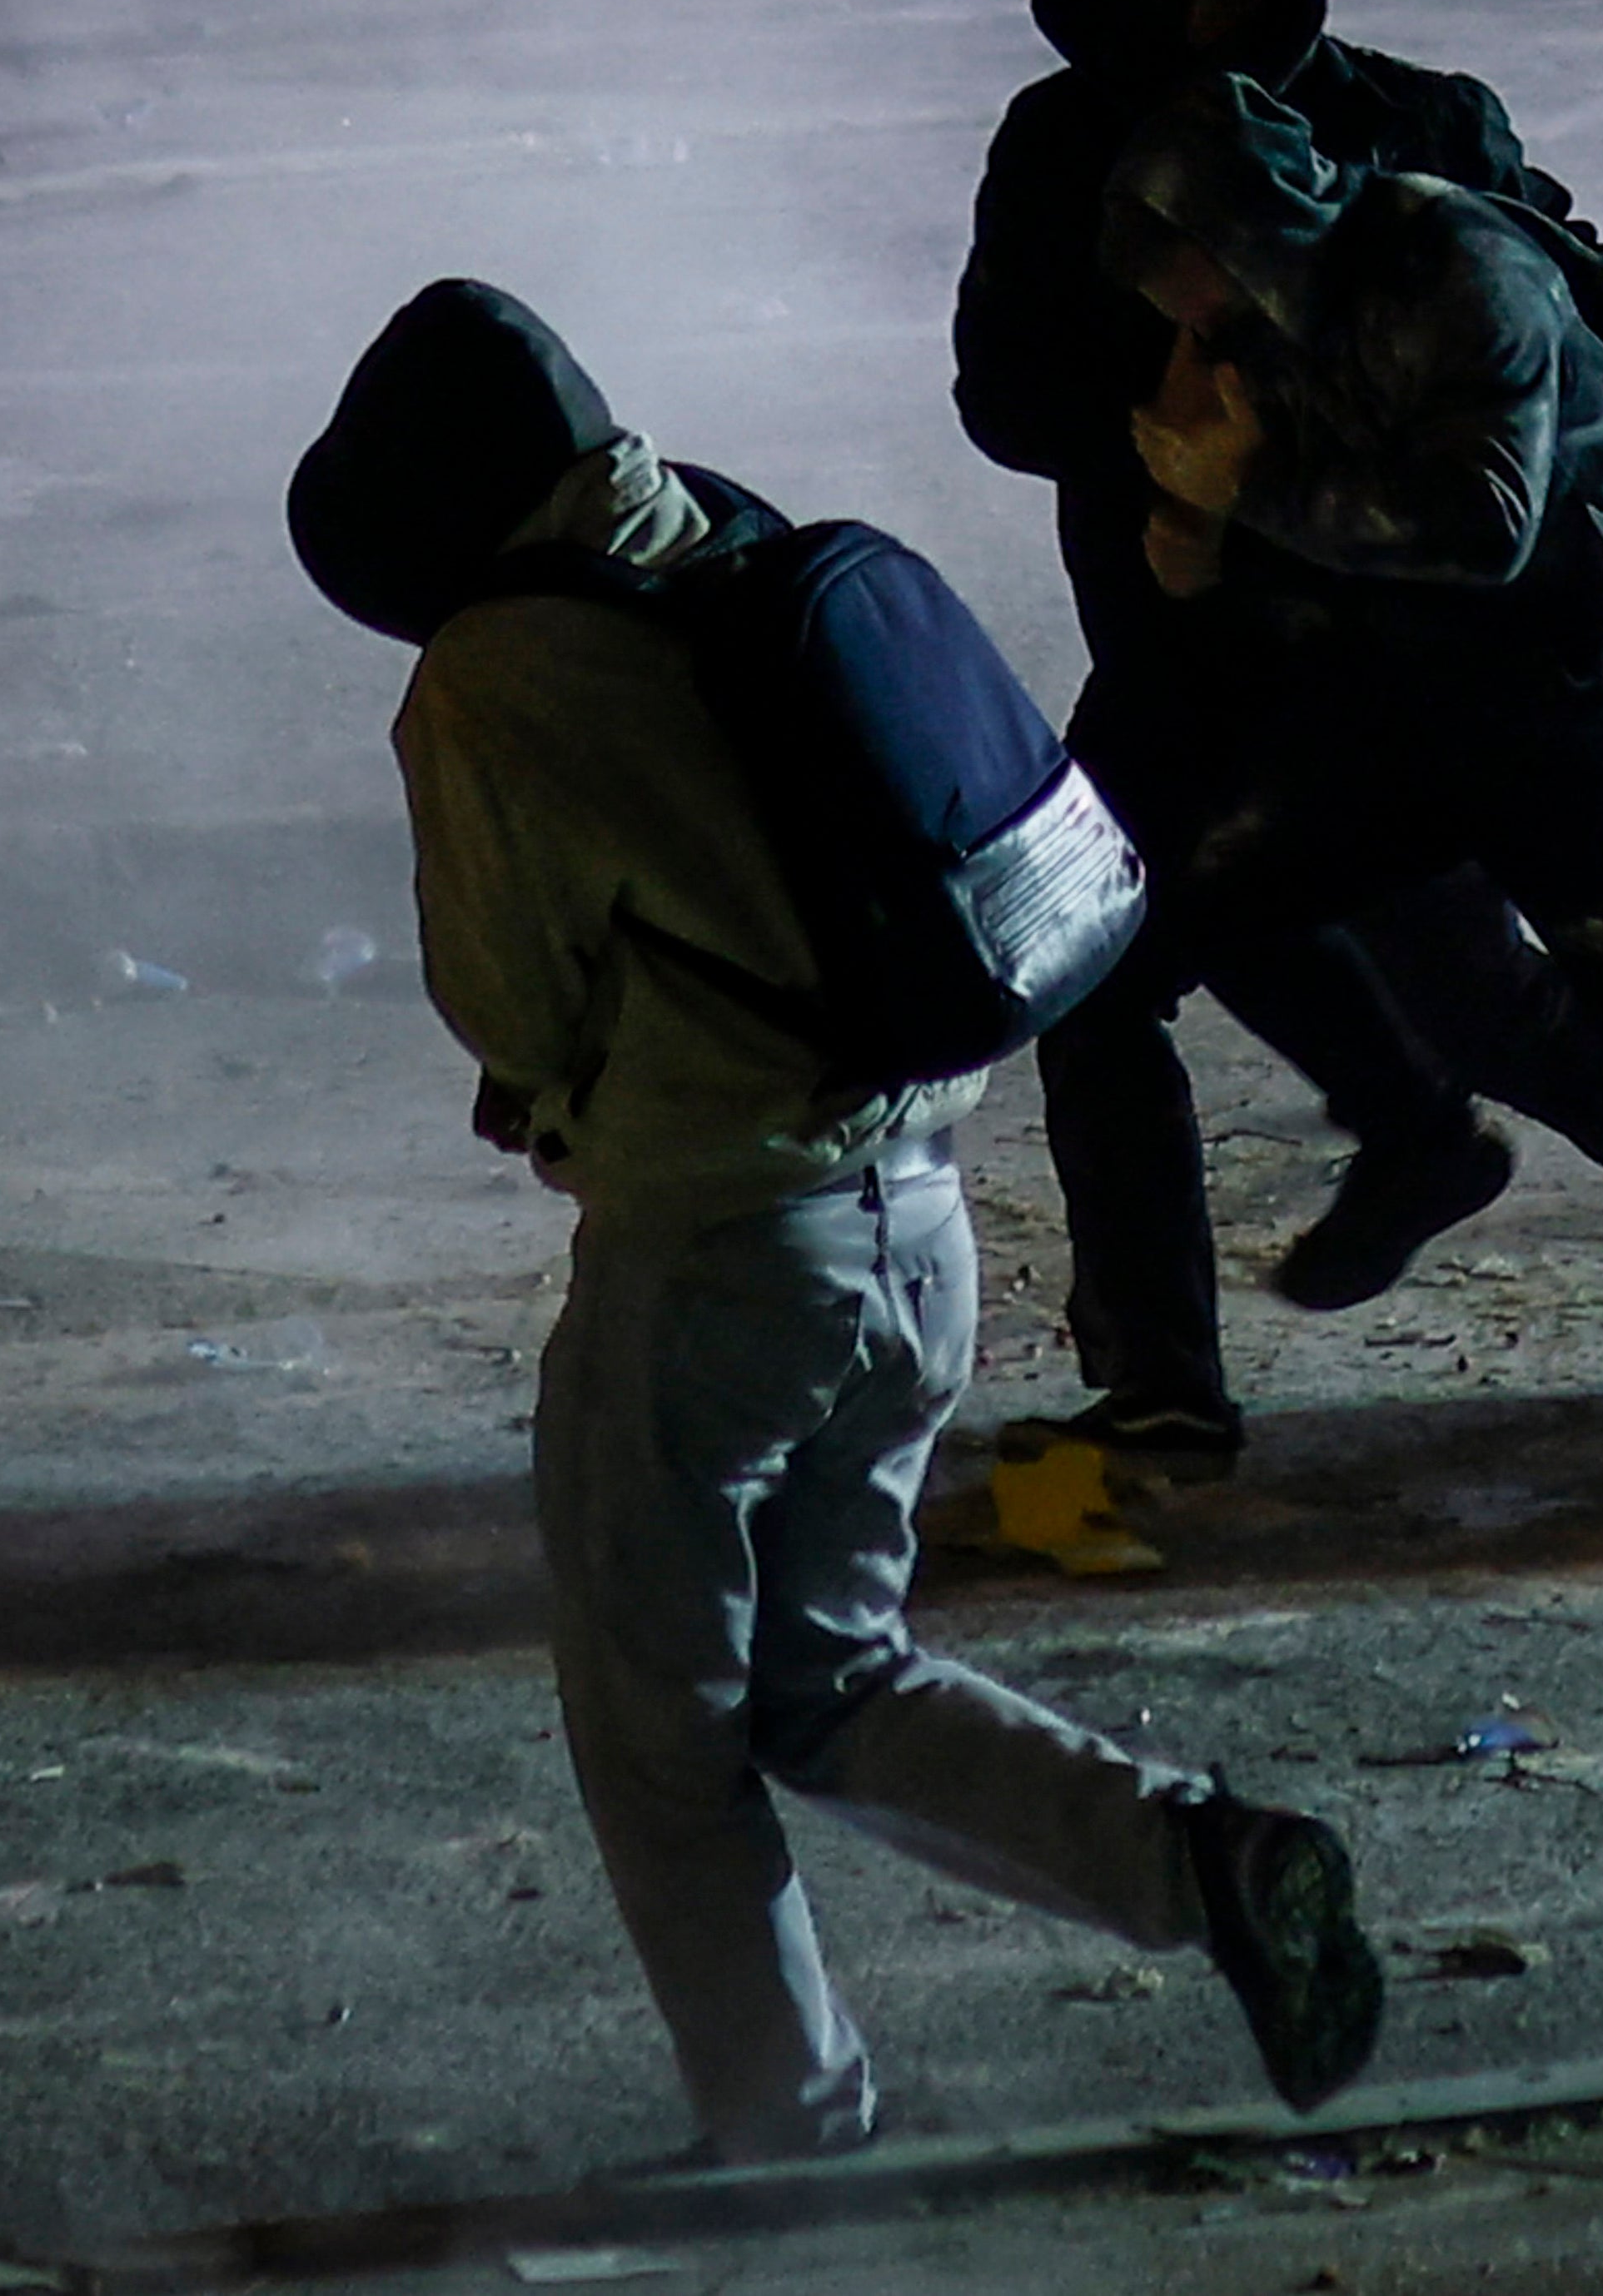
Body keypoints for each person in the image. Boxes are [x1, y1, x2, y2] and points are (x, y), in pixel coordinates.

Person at [288, 281, 1381, 2164]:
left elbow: (510, 1007)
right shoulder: (730, 542)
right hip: (916, 1227)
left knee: (662, 1735)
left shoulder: (495, 668)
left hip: (712, 1259)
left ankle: (784, 2124)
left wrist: (567, 1068)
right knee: (832, 1676)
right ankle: (1205, 1862)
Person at [952, 0, 1603, 1475]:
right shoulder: (1065, 140)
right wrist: (1168, 416)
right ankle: (1166, 1376)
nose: (1160, 22)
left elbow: (1564, 295)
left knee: (1468, 990)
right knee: (1098, 976)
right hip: (1179, 632)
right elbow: (1000, 392)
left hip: (1391, 654)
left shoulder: (1421, 125)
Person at [1101, 85, 1603, 1508]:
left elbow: (1484, 522)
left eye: (1186, 268)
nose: (1179, 303)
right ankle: (1422, 1136)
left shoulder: (1462, 272)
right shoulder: (1252, 316)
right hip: (1410, 699)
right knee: (1224, 901)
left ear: (1247, 233)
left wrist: (1247, 495)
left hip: (1589, 699)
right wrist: (1207, 524)